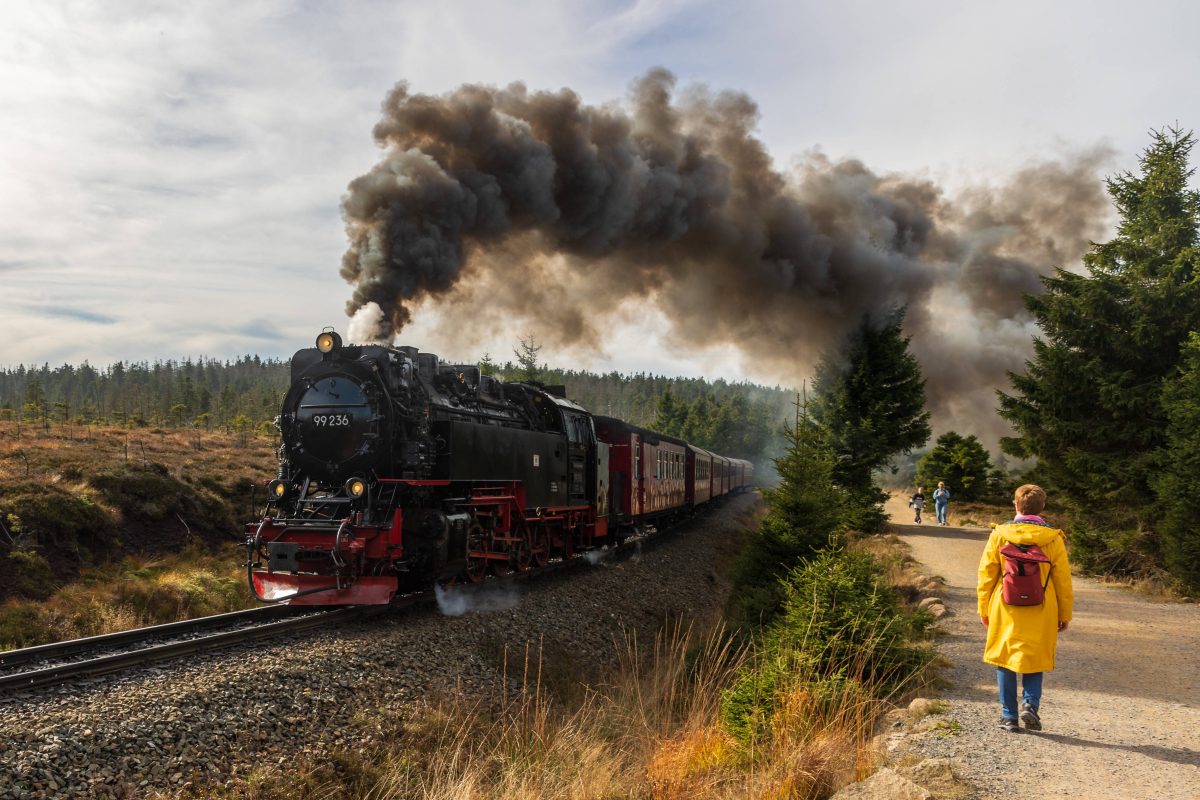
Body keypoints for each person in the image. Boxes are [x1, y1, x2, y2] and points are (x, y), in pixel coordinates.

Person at [977, 484, 1074, 733]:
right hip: (1042, 605)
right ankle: (1030, 705)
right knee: (1035, 658)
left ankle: (1008, 716)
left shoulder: (999, 534)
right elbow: (1062, 580)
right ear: (1042, 507)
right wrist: (1064, 614)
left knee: (1005, 658)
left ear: (1016, 505)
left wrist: (984, 609)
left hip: (1005, 605)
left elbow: (987, 575)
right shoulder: (1053, 539)